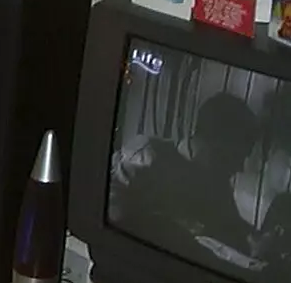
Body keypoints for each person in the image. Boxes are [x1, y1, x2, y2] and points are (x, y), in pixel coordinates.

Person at [112, 92, 261, 265]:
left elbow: (231, 229)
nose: (240, 168)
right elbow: (109, 214)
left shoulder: (217, 185)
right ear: (215, 144)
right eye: (238, 156)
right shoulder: (147, 156)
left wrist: (254, 237)